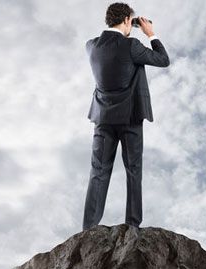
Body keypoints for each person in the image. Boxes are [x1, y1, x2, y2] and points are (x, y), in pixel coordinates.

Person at [82, 2, 170, 231]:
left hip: (102, 119)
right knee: (133, 171)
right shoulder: (132, 45)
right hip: (130, 119)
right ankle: (132, 225)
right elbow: (163, 60)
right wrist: (151, 33)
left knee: (98, 173)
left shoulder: (91, 46)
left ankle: (88, 229)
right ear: (127, 21)